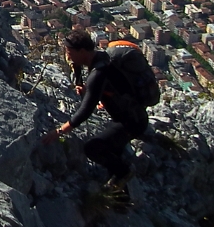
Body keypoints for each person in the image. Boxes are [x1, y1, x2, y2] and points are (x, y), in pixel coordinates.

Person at [42, 29, 151, 184]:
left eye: (69, 51)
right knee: (111, 146)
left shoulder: (98, 73)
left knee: (92, 148)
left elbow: (86, 110)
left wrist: (59, 131)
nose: (67, 55)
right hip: (133, 114)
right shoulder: (102, 58)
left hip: (131, 123)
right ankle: (118, 179)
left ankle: (124, 173)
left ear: (82, 51)